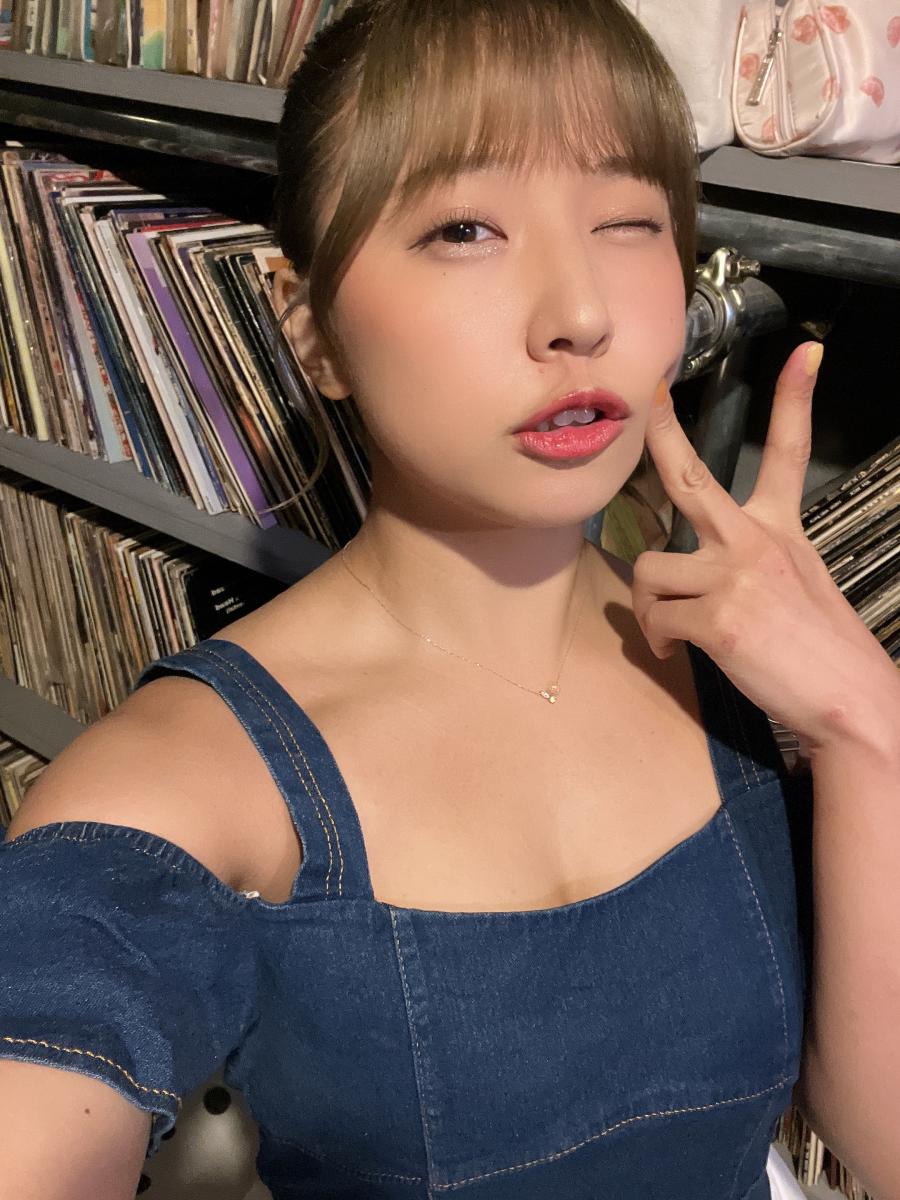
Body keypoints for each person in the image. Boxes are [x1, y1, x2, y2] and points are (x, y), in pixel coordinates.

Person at [1, 1, 842, 1196]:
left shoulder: (741, 659)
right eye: (463, 229)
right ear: (312, 332)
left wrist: (865, 722)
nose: (581, 314)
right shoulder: (195, 773)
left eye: (627, 221)